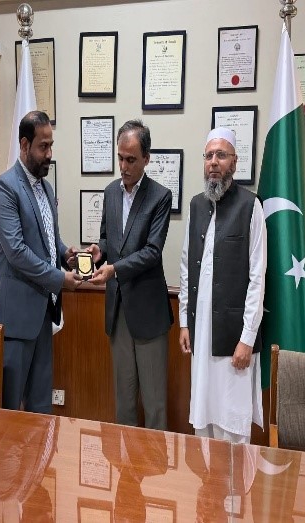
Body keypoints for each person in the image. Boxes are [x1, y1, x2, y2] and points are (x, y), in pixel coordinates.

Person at [0, 110, 82, 414]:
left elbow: (48, 239)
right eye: (43, 146)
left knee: (41, 409)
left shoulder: (45, 187)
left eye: (51, 145)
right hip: (15, 320)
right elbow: (16, 251)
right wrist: (60, 279)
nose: (49, 154)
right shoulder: (4, 187)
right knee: (8, 411)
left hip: (43, 314)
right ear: (24, 145)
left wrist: (66, 255)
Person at [179, 127, 267, 444]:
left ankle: (236, 482)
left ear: (234, 162)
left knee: (232, 427)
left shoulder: (250, 206)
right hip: (201, 334)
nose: (214, 162)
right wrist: (185, 322)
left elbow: (257, 277)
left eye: (221, 155)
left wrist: (247, 339)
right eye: (209, 155)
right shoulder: (196, 205)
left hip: (234, 339)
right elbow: (186, 266)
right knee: (203, 424)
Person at [89, 119, 173, 430]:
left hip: (148, 313)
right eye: (120, 158)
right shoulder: (111, 192)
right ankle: (124, 462)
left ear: (146, 159)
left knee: (154, 406)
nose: (123, 167)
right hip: (118, 310)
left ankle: (154, 465)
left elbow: (152, 251)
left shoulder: (160, 196)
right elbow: (108, 239)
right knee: (124, 404)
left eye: (131, 160)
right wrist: (98, 251)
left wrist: (114, 269)